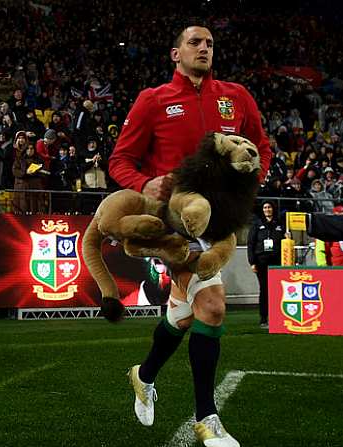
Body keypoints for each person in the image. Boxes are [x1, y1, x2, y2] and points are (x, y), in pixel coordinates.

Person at [108, 25, 271, 446]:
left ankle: (142, 376)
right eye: (194, 42)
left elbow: (260, 148)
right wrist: (145, 184)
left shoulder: (236, 96)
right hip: (174, 221)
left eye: (210, 43)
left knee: (184, 313)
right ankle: (207, 418)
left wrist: (249, 179)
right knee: (214, 307)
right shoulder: (153, 100)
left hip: (219, 222)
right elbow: (120, 160)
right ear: (175, 53)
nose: (204, 48)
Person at [247, 201, 285, 328]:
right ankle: (263, 318)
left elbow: (286, 242)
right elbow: (251, 244)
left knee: (277, 290)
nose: (267, 209)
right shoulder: (257, 225)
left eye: (269, 207)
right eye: (265, 207)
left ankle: (277, 316)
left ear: (273, 209)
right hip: (261, 262)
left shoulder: (280, 224)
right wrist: (252, 262)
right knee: (264, 289)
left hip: (277, 262)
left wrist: (287, 237)